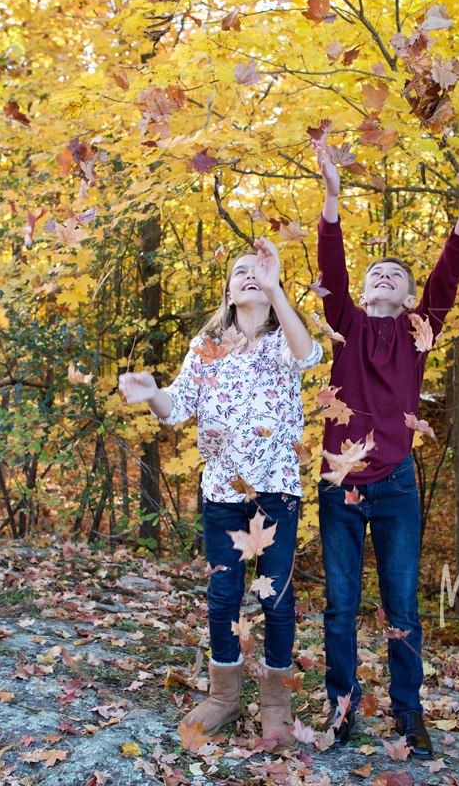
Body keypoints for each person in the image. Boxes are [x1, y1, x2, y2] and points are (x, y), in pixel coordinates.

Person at [312, 139, 459, 759]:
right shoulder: (342, 321)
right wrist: (333, 195)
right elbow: (333, 264)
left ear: (406, 297)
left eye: (396, 277)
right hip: (338, 486)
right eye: (378, 273)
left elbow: (448, 274)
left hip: (396, 484)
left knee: (402, 605)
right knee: (341, 607)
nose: (384, 278)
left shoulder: (416, 333)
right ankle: (340, 708)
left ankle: (408, 714)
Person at [119, 237, 322, 750]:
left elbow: (308, 355)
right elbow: (177, 408)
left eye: (260, 270)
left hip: (275, 490)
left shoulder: (283, 339)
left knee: (275, 596)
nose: (250, 275)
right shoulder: (205, 346)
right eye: (241, 272)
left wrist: (277, 290)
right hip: (221, 491)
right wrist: (151, 395)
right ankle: (224, 696)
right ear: (228, 292)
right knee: (223, 596)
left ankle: (275, 702)